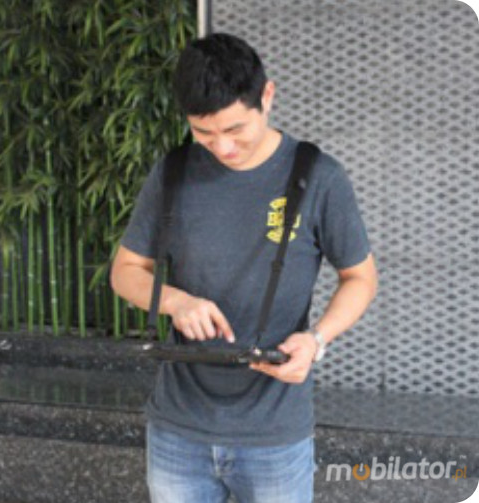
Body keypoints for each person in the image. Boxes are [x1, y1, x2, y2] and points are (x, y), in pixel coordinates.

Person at [111, 32, 378, 503]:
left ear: (267, 97)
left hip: (275, 434)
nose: (222, 147)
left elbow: (360, 278)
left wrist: (317, 339)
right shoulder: (173, 172)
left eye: (235, 129)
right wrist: (175, 301)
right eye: (203, 132)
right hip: (178, 429)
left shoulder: (317, 176)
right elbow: (126, 270)